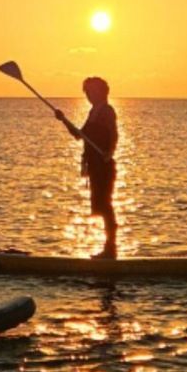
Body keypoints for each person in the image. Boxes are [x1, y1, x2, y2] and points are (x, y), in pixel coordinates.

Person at [55, 77, 118, 259]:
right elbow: (78, 135)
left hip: (104, 165)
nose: (89, 94)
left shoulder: (107, 111)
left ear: (103, 91)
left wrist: (110, 151)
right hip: (93, 165)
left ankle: (111, 249)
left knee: (105, 205)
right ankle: (108, 248)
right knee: (101, 205)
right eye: (87, 91)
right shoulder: (93, 112)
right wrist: (63, 120)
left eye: (93, 91)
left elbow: (114, 133)